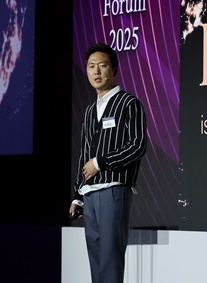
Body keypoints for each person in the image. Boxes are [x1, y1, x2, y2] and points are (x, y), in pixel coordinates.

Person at [69, 42, 147, 283]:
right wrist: (78, 195)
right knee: (96, 262)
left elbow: (137, 145)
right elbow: (84, 154)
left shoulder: (128, 103)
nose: (96, 71)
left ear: (114, 70)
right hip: (90, 194)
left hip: (113, 190)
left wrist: (101, 163)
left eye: (102, 65)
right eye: (91, 66)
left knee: (110, 259)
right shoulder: (89, 111)